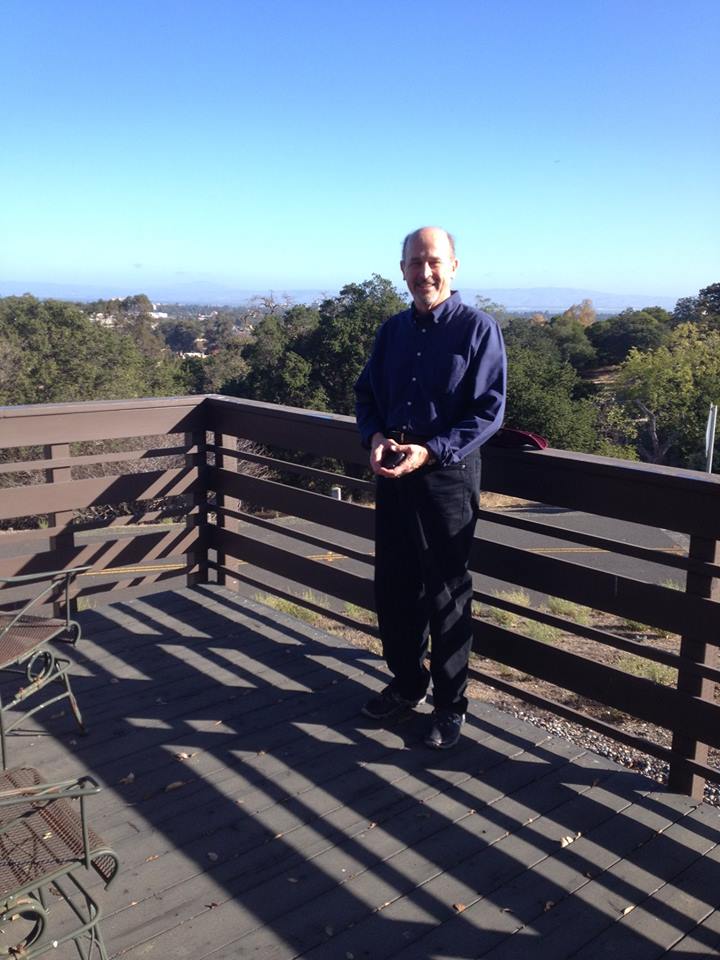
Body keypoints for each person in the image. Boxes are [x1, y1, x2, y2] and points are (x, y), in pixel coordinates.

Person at [354, 226, 506, 749]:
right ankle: (407, 683)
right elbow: (366, 396)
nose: (425, 272)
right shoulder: (391, 332)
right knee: (394, 587)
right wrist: (375, 436)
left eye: (434, 261)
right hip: (394, 472)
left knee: (446, 594)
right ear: (402, 270)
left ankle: (449, 705)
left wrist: (432, 450)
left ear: (454, 266)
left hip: (447, 476)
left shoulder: (478, 329)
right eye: (415, 263)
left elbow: (489, 411)